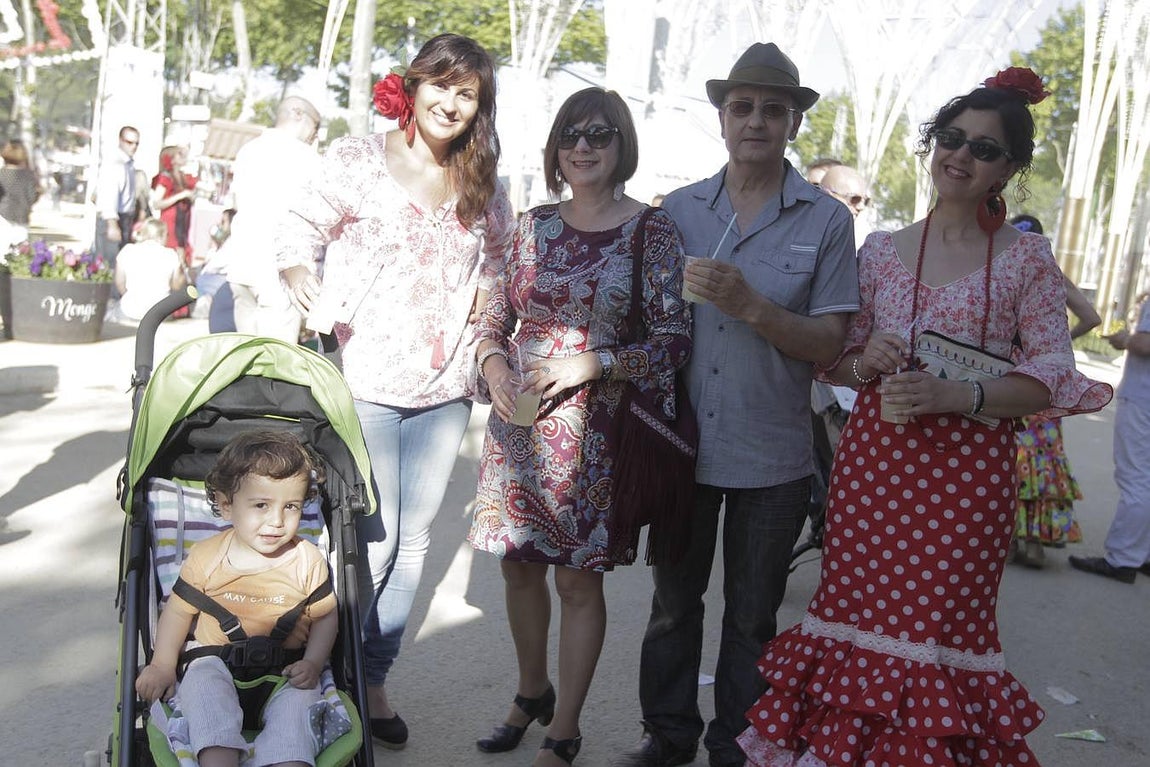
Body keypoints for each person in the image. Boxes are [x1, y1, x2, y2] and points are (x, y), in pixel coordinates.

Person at [735, 67, 1113, 767]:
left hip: (966, 487)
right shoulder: (878, 250)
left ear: (1011, 168)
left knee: (934, 639)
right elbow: (835, 363)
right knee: (850, 628)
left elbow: (1051, 378)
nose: (961, 156)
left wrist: (959, 397)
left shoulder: (1027, 259)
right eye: (951, 137)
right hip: (874, 475)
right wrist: (866, 358)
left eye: (985, 148)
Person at [614, 42, 860, 767]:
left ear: (792, 123)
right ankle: (667, 736)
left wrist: (751, 304)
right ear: (723, 118)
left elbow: (829, 345)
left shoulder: (826, 221)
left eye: (773, 109)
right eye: (743, 107)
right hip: (683, 447)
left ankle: (738, 747)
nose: (756, 120)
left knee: (753, 617)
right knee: (672, 607)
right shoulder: (681, 210)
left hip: (774, 453)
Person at [275, 33, 514, 750]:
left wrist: (489, 335)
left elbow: (500, 271)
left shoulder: (484, 184)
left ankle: (372, 678)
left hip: (445, 390)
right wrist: (296, 276)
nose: (451, 102)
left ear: (479, 107)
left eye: (466, 93)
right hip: (362, 380)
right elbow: (297, 229)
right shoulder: (356, 157)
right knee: (365, 541)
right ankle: (320, 668)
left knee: (412, 543)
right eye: (440, 85)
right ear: (411, 88)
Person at [470, 87, 691, 767]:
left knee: (576, 582)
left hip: (595, 441)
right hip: (519, 426)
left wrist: (592, 362)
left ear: (621, 143)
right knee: (516, 570)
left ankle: (564, 728)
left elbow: (673, 340)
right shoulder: (531, 226)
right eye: (571, 134)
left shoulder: (650, 230)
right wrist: (494, 363)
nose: (584, 146)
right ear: (556, 149)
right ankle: (531, 689)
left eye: (599, 134)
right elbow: (489, 319)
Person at [135, 430, 338, 767]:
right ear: (227, 505)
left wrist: (313, 663)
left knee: (298, 713)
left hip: (285, 672)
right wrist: (162, 665)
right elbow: (177, 612)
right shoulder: (206, 557)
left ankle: (287, 760)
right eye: (261, 505)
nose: (277, 521)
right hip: (215, 664)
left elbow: (326, 616)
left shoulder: (308, 560)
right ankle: (219, 760)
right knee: (203, 689)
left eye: (291, 507)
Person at [1008, 213, 1101, 568]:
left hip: (1011, 376)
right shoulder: (1050, 272)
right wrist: (1055, 345)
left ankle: (1011, 540)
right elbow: (1091, 317)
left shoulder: (1001, 270)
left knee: (1013, 453)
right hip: (1044, 378)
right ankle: (1036, 542)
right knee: (1043, 457)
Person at [226, 95, 322, 343]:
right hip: (279, 267)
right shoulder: (307, 157)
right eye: (316, 125)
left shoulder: (248, 149)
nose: (316, 134)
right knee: (276, 360)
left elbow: (237, 204)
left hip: (242, 262)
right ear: (299, 114)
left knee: (244, 353)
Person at [1069, 293, 1150, 583]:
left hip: (1143, 398)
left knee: (1136, 477)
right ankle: (1142, 553)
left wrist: (1125, 340)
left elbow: (1144, 343)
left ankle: (1123, 558)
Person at [109, 218, 187, 324]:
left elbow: (120, 282)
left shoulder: (127, 250)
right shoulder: (171, 254)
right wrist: (182, 265)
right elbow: (177, 286)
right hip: (161, 313)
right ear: (162, 235)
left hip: (131, 310)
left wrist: (133, 296)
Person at [93, 125, 140, 268]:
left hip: (125, 218)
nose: (133, 147)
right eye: (129, 142)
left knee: (120, 265)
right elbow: (108, 196)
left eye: (136, 143)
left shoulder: (128, 164)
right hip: (113, 219)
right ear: (120, 140)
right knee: (110, 265)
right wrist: (112, 224)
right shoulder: (115, 164)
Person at [151, 144, 198, 265]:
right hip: (171, 225)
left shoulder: (183, 177)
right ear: (171, 159)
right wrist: (181, 196)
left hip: (183, 224)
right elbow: (156, 203)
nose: (184, 157)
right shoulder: (166, 177)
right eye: (180, 154)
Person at [0, 140, 42, 244]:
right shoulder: (29, 176)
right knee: (18, 253)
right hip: (22, 217)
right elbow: (33, 196)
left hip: (2, 216)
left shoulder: (1, 174)